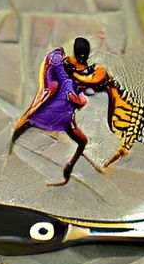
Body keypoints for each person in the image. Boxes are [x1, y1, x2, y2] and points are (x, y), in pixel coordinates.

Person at [11, 37, 111, 186]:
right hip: (58, 112)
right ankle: (68, 168)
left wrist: (82, 94)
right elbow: (75, 91)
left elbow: (79, 88)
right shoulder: (71, 67)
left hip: (58, 113)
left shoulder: (68, 64)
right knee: (80, 140)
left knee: (29, 121)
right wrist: (80, 97)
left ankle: (67, 169)